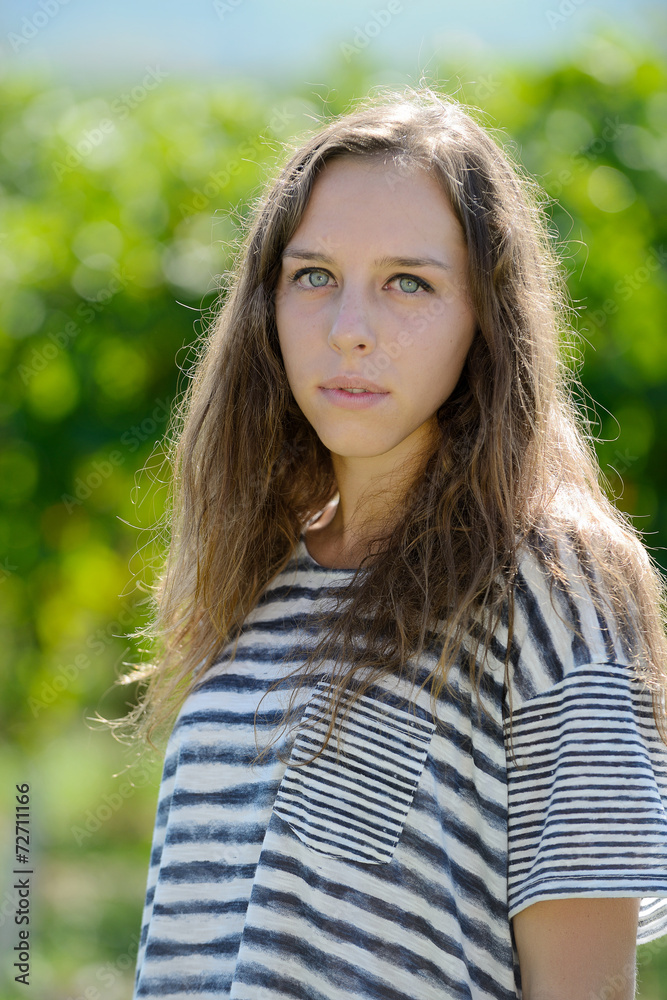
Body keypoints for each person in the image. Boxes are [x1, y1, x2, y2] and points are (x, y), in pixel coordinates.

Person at [126, 87, 667, 1000]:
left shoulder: (548, 577)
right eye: (313, 276)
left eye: (407, 283)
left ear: (484, 317)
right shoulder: (258, 574)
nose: (349, 330)